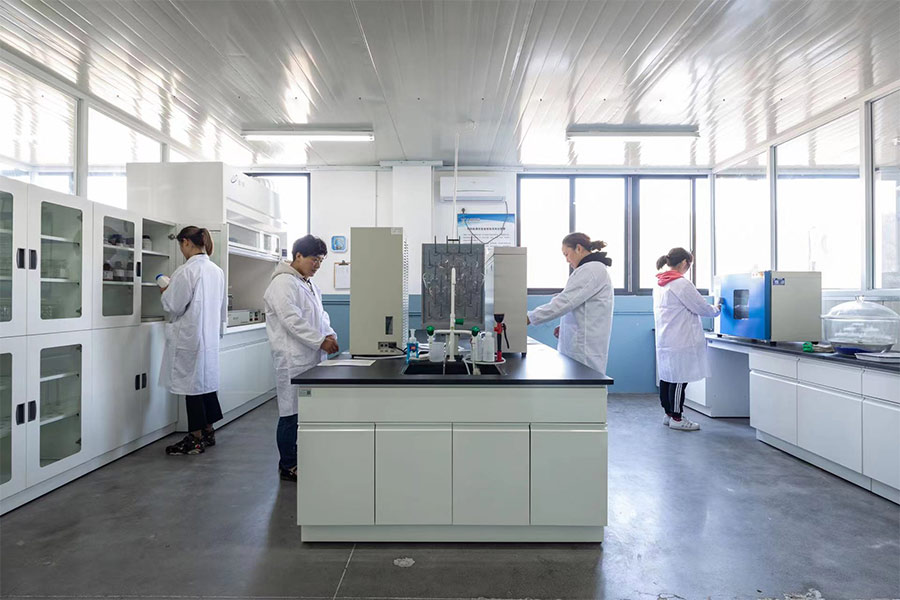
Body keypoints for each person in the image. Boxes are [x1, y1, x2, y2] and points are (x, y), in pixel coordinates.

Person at [264, 235, 338, 482]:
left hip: (311, 357)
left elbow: (321, 316)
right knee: (290, 414)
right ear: (298, 256)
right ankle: (288, 464)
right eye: (314, 259)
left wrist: (329, 334)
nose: (317, 265)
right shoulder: (282, 284)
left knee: (306, 412)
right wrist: (320, 340)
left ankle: (300, 457)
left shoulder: (307, 284)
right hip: (293, 358)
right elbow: (292, 320)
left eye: (321, 261)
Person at [160, 226, 227, 455]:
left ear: (186, 242)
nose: (181, 250)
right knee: (205, 384)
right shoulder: (216, 271)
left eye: (181, 245)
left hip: (189, 338)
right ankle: (208, 431)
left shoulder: (186, 270)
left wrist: (165, 291)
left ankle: (195, 438)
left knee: (193, 387)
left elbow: (174, 305)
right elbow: (221, 307)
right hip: (208, 337)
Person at [653, 247, 722, 432]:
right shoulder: (681, 284)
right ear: (684, 262)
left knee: (667, 378)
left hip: (666, 339)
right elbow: (701, 307)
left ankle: (669, 415)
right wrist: (717, 309)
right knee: (679, 379)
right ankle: (677, 417)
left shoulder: (660, 283)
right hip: (680, 340)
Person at [527, 232, 614, 374]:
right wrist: (566, 326)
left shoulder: (591, 270)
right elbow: (581, 305)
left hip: (584, 350)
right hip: (580, 345)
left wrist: (529, 317)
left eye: (566, 254)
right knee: (578, 382)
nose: (567, 260)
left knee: (586, 383)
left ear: (578, 248)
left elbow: (565, 302)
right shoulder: (589, 269)